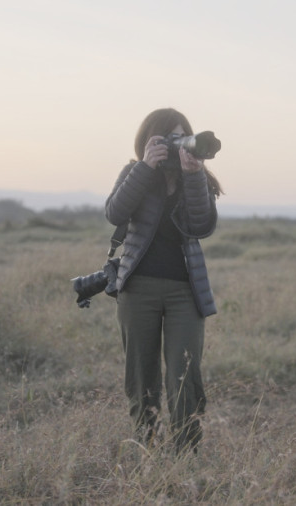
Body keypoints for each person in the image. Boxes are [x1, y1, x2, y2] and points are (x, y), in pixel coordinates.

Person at [104, 108, 222, 452]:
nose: (177, 144)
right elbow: (114, 213)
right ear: (150, 139)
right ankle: (146, 448)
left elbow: (202, 226)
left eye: (182, 135)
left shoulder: (197, 175)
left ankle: (186, 455)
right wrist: (144, 167)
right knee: (142, 375)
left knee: (184, 374)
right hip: (137, 289)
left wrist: (193, 176)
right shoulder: (135, 171)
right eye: (169, 137)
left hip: (186, 292)